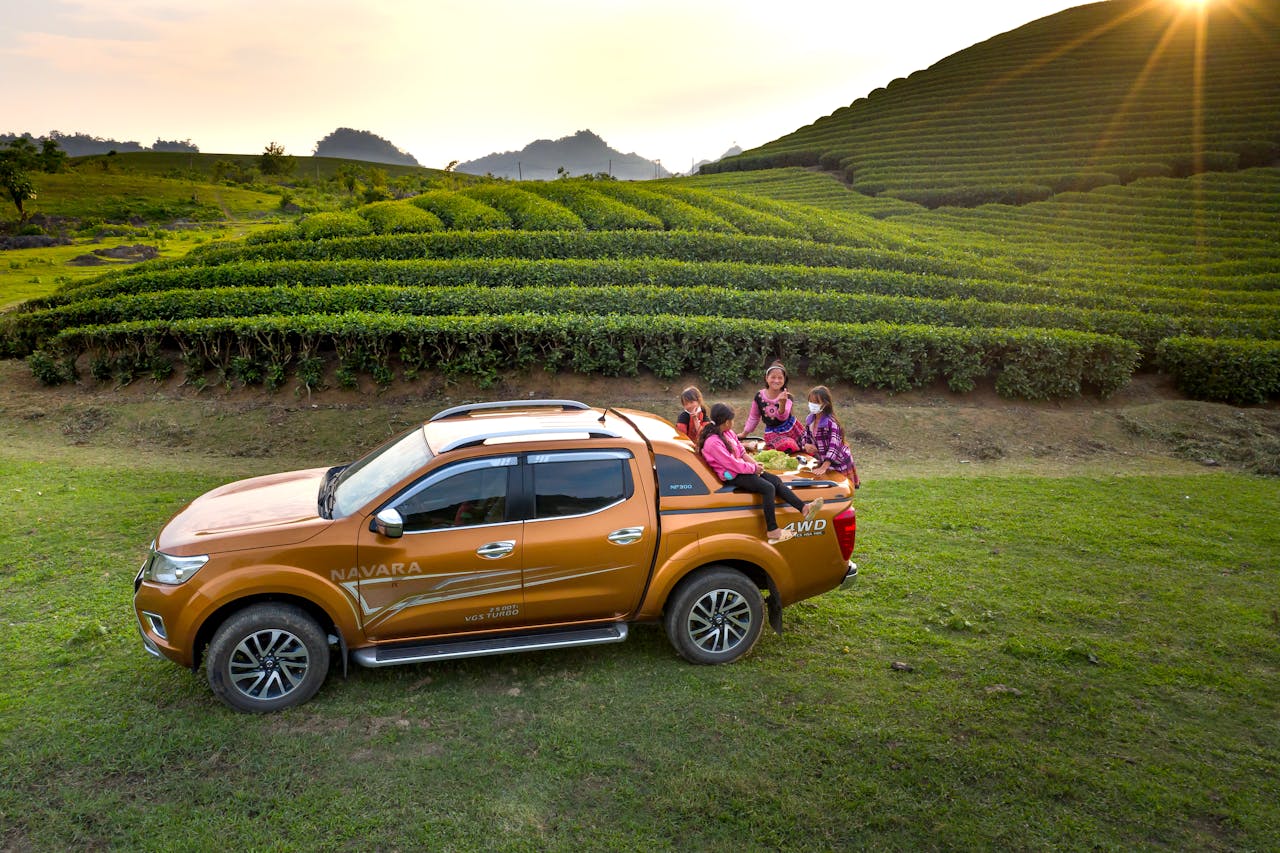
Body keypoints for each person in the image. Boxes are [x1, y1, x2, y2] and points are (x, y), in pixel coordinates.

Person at [699, 402, 823, 544]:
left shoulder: (729, 433)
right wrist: (753, 469)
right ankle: (772, 530)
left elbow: (742, 452)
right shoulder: (713, 443)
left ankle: (804, 508)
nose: (733, 422)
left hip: (742, 468)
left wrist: (755, 465)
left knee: (775, 480)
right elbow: (731, 464)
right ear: (726, 422)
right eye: (732, 420)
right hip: (731, 475)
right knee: (767, 488)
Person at [742, 360, 807, 454]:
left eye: (780, 378)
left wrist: (782, 403)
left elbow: (782, 417)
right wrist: (744, 434)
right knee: (785, 446)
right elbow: (754, 417)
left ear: (784, 380)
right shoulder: (759, 396)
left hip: (791, 429)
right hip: (772, 433)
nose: (776, 380)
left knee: (805, 448)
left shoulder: (787, 397)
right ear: (766, 378)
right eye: (773, 377)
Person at [803, 385, 861, 488]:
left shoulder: (831, 423)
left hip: (839, 462)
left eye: (816, 402)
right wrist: (806, 445)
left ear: (825, 404)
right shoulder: (810, 420)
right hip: (824, 461)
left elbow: (834, 447)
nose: (812, 405)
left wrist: (824, 467)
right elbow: (805, 437)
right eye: (811, 401)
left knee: (842, 489)